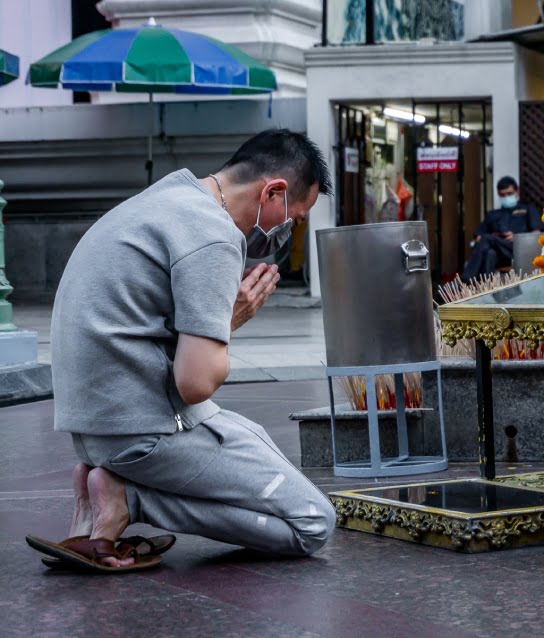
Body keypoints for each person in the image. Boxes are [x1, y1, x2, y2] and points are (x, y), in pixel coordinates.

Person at [26, 129, 337, 573]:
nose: (288, 231)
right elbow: (195, 383)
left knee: (255, 436)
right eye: (295, 218)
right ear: (273, 191)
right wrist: (229, 322)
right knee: (313, 522)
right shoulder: (213, 234)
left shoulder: (166, 197)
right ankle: (129, 498)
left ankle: (110, 489)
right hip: (144, 433)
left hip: (94, 430)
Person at [460, 176, 544, 283]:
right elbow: (478, 237)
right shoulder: (493, 215)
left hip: (518, 249)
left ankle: (466, 279)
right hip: (499, 253)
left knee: (487, 239)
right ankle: (487, 287)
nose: (506, 197)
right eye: (502, 195)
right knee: (490, 252)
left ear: (517, 191)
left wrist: (516, 237)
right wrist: (496, 237)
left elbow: (536, 234)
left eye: (509, 193)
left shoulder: (528, 210)